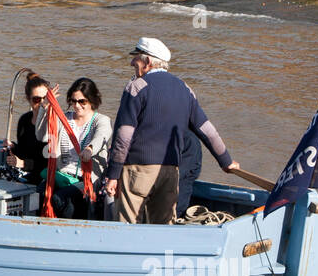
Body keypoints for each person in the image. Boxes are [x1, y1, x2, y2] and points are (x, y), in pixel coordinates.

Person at [102, 38, 238, 224]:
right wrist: (226, 161)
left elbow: (124, 136)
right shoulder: (185, 89)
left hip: (137, 171)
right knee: (163, 228)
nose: (132, 62)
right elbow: (207, 129)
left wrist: (113, 174)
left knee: (128, 228)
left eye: (136, 58)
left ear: (148, 61)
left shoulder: (136, 87)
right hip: (171, 172)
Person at [34, 77, 112, 220]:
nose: (77, 106)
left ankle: (68, 230)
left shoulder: (100, 120)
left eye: (82, 101)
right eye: (73, 101)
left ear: (92, 100)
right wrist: (44, 108)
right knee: (39, 193)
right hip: (62, 174)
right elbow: (42, 136)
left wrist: (90, 149)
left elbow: (102, 136)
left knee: (60, 198)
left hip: (86, 178)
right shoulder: (64, 118)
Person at [3, 73, 49, 182]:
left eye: (46, 98)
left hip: (45, 176)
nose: (42, 103)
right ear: (29, 99)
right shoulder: (24, 120)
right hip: (26, 171)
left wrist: (23, 163)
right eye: (37, 99)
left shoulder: (54, 123)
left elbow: (51, 161)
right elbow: (25, 152)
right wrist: (12, 147)